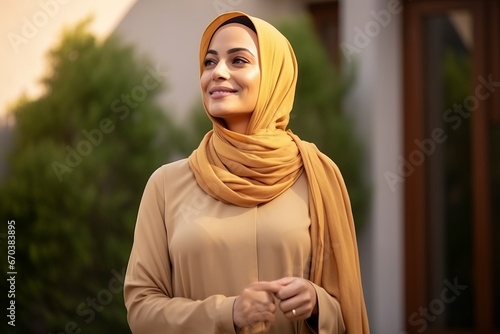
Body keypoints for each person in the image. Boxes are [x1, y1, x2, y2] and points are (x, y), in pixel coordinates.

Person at [124, 11, 369, 334]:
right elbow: (141, 308)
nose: (218, 73)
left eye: (238, 60)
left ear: (274, 77)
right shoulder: (166, 184)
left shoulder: (317, 174)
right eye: (209, 62)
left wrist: (316, 303)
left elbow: (347, 312)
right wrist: (229, 313)